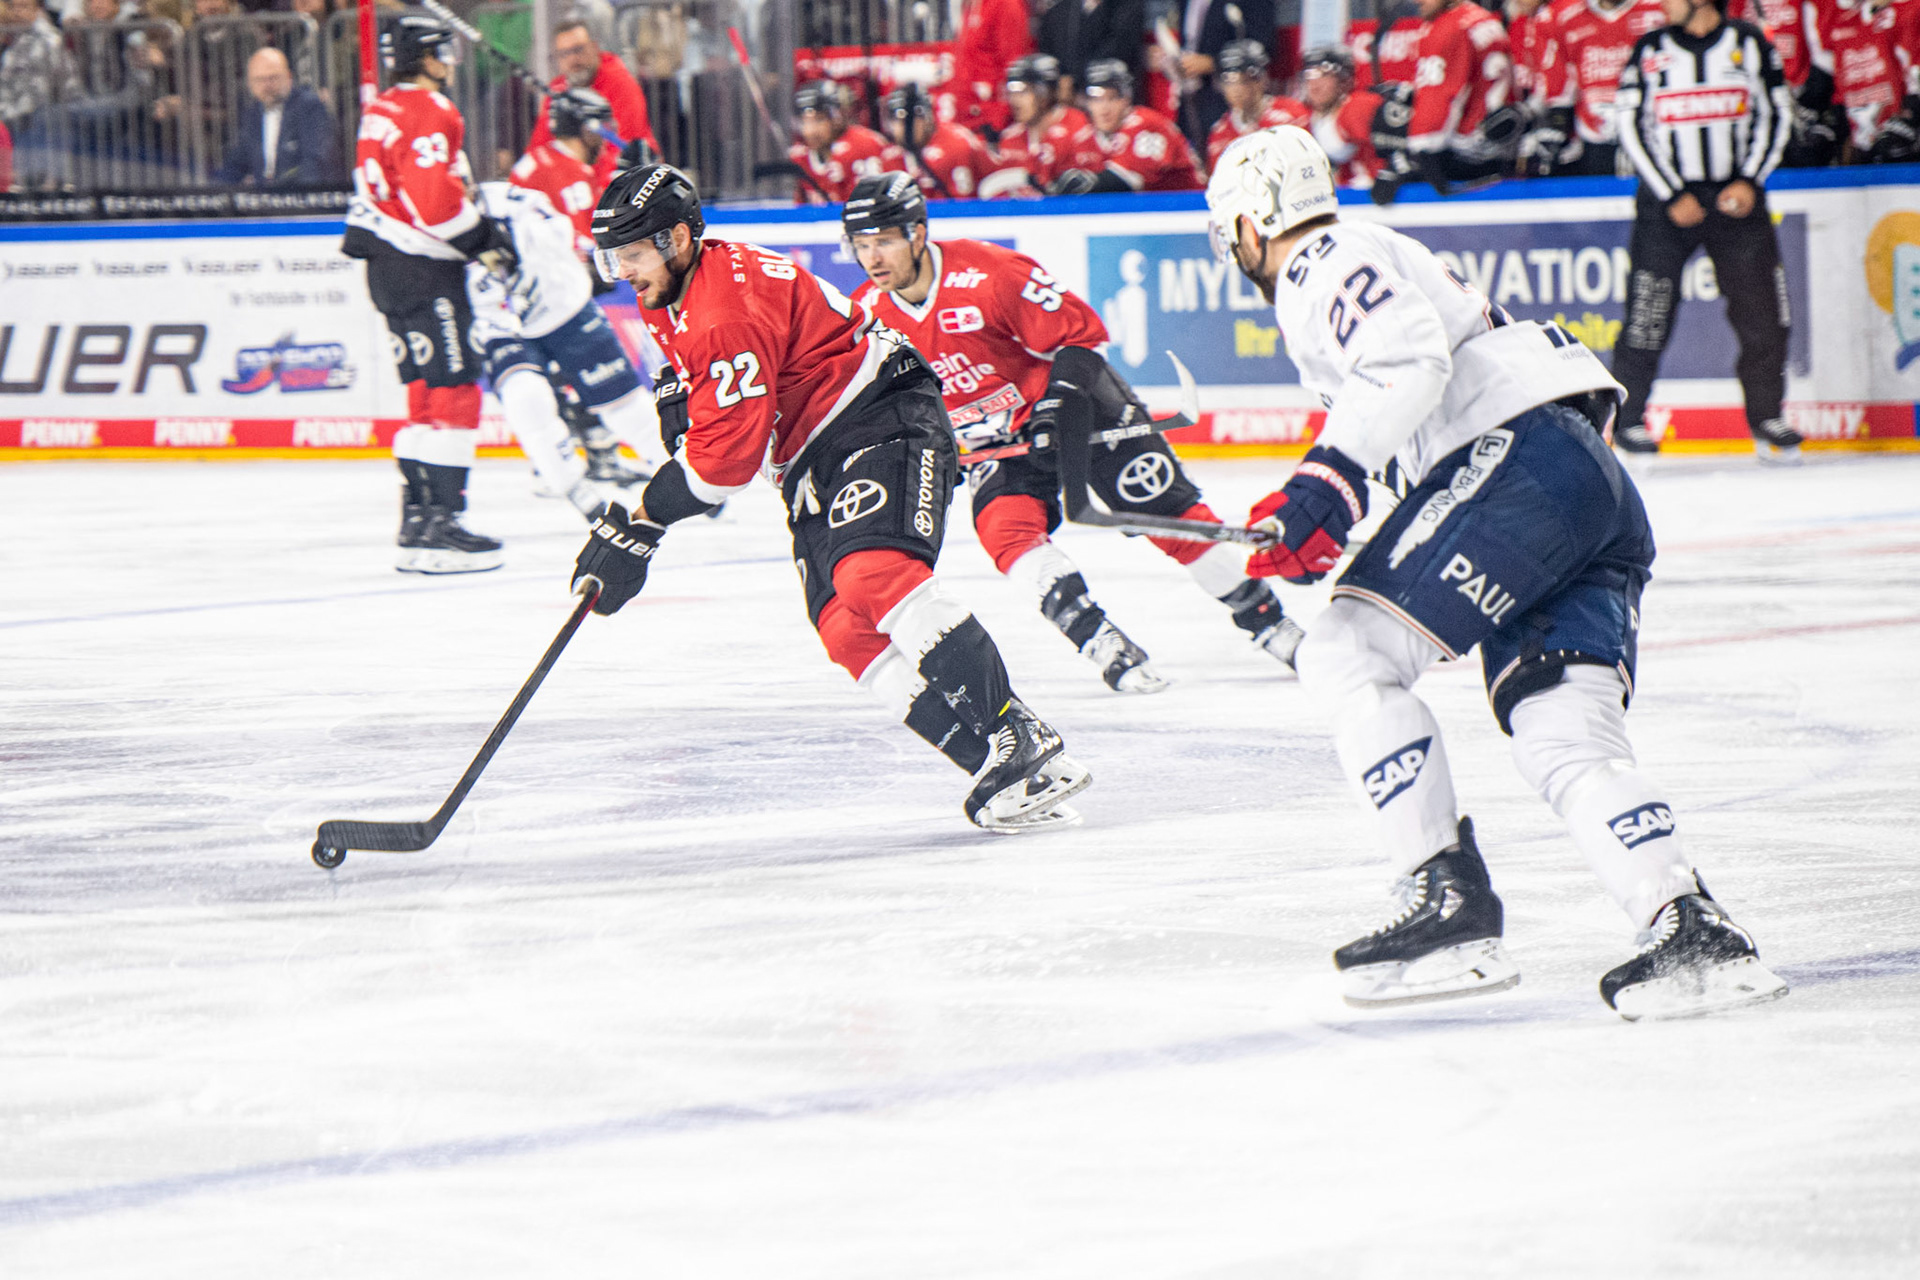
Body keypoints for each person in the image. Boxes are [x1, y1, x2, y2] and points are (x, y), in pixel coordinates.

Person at [1206, 125, 1789, 1019]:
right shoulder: (1370, 252)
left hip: (1516, 466)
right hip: (1579, 486)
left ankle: (1444, 897)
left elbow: (1406, 359)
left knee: (1345, 652)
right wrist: (1335, 515)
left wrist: (1327, 481)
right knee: (1563, 735)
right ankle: (1690, 927)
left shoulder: (1317, 258)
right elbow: (1417, 408)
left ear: (1249, 224)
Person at [574, 164, 1092, 833]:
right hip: (811, 455)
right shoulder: (677, 290)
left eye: (632, 255)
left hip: (880, 414)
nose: (622, 272)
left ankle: (1015, 731)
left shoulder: (722, 310)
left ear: (676, 239)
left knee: (873, 573)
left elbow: (722, 469)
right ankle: (1011, 772)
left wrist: (641, 525)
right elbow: (697, 396)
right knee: (846, 630)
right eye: (612, 257)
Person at [844, 172, 1308, 690]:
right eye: (861, 245)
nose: (873, 258)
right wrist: (932, 446)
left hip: (1084, 409)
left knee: (1169, 518)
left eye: (884, 241)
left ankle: (1272, 625)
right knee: (1006, 533)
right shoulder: (871, 319)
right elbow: (890, 406)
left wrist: (1057, 407)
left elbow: (1083, 339)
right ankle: (1100, 640)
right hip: (1000, 442)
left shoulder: (990, 272)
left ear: (917, 233)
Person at [342, 15, 516, 574]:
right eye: (446, 51)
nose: (451, 62)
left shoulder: (381, 108)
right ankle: (442, 526)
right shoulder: (430, 110)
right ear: (428, 55)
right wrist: (487, 241)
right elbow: (435, 206)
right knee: (457, 391)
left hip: (386, 269)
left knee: (424, 392)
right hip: (424, 266)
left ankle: (417, 522)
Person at [1612, 0, 1803, 461]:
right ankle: (1628, 420)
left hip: (1736, 201)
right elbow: (1630, 125)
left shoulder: (1750, 44)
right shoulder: (1649, 48)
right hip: (1667, 207)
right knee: (1647, 312)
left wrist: (1750, 180)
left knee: (1763, 312)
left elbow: (1776, 114)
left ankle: (1767, 416)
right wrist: (1670, 194)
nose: (1662, 4)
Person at [467, 179, 660, 520]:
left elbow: (559, 232)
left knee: (624, 404)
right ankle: (572, 486)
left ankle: (680, 472)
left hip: (564, 306)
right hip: (497, 321)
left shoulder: (512, 201)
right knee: (526, 398)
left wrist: (524, 252)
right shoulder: (422, 224)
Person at [1393, 0, 1524, 197]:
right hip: (1503, 151)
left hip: (1465, 159)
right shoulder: (1485, 19)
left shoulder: (1448, 27)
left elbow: (1439, 99)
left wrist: (1422, 156)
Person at [1527, 0, 1669, 177]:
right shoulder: (1565, 18)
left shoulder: (1658, 10)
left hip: (1652, 131)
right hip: (1595, 137)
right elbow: (1560, 85)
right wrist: (1557, 123)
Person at [524, 17, 658, 184]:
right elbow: (540, 147)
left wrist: (583, 184)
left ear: (594, 47)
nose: (573, 59)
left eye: (578, 49)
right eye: (564, 54)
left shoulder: (620, 83)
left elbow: (624, 145)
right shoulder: (557, 90)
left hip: (628, 181)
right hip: (575, 184)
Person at [1052, 59, 1204, 193]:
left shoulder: (1148, 124)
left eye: (1113, 98)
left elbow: (1124, 181)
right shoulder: (1087, 136)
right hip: (1150, 211)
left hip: (1188, 209)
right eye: (1097, 99)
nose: (1104, 108)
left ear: (1127, 99)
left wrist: (1079, 183)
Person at [212, 47, 341, 187]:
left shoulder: (309, 107)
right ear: (250, 84)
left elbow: (314, 164)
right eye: (259, 80)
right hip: (264, 196)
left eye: (273, 78)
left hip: (299, 194)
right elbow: (235, 164)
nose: (267, 85)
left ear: (289, 77)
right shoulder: (252, 114)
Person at [1161, 0, 1277, 150]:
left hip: (1228, 99)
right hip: (1192, 99)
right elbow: (1189, 42)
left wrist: (1213, 62)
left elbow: (1262, 44)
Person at [0, 0, 81, 188]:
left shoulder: (48, 39)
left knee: (38, 117)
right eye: (14, 7)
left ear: (37, 10)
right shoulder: (12, 38)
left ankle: (43, 183)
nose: (17, 12)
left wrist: (5, 113)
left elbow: (40, 92)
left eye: (24, 7)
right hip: (13, 108)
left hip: (50, 107)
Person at [880, 81, 1007, 199]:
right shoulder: (891, 156)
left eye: (907, 120)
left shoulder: (955, 145)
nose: (901, 127)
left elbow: (960, 206)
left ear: (927, 117)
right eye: (897, 120)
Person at [788, 79, 901, 204]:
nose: (810, 131)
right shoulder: (800, 157)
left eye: (819, 120)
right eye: (804, 122)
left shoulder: (864, 145)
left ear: (836, 117)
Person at [1204, 38, 1309, 171]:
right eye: (1229, 81)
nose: (1236, 88)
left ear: (1262, 79)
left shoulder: (1292, 114)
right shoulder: (1219, 134)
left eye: (1244, 79)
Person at [996, 53, 1090, 192]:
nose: (1015, 101)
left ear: (1046, 93)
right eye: (1011, 92)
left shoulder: (1077, 127)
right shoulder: (1010, 138)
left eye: (1023, 92)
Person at [1301, 44, 1385, 189]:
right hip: (1351, 196)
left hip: (1387, 196)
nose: (1315, 85)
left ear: (1344, 79)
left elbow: (1389, 153)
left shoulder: (1358, 107)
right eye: (1309, 75)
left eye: (1324, 75)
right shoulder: (1307, 116)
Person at [1036, 0, 1144, 99]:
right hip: (1064, 98)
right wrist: (1060, 80)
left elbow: (1118, 49)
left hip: (1109, 95)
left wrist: (1075, 80)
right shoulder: (1058, 12)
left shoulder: (1127, 6)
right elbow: (1048, 53)